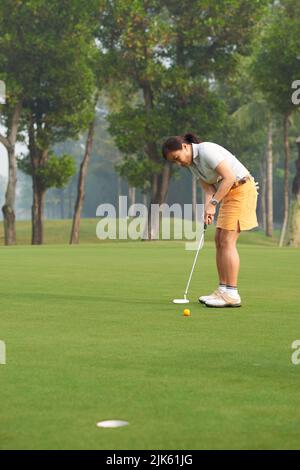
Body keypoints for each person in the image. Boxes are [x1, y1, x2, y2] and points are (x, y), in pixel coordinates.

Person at [162, 133, 259, 308]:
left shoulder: (206, 150)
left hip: (241, 189)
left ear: (185, 147)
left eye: (177, 158)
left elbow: (228, 177)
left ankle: (232, 294)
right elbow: (208, 190)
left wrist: (213, 204)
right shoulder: (192, 165)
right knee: (219, 240)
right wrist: (208, 210)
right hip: (228, 194)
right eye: (174, 162)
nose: (179, 163)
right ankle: (222, 290)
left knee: (228, 241)